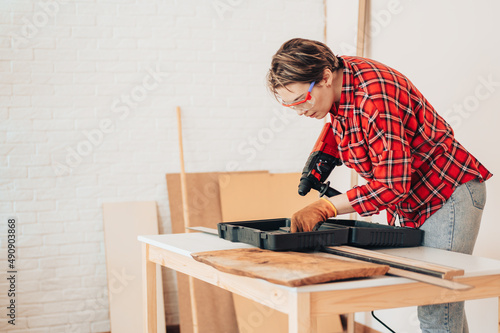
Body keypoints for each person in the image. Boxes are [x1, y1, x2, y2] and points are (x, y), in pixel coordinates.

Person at [266, 38, 492, 333]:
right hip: (418, 198)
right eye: (288, 103)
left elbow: (392, 186)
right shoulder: (341, 74)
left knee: (437, 304)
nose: (298, 110)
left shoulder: (374, 98)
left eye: (300, 99)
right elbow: (343, 115)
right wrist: (324, 155)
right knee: (441, 304)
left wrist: (327, 206)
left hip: (447, 193)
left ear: (324, 77)